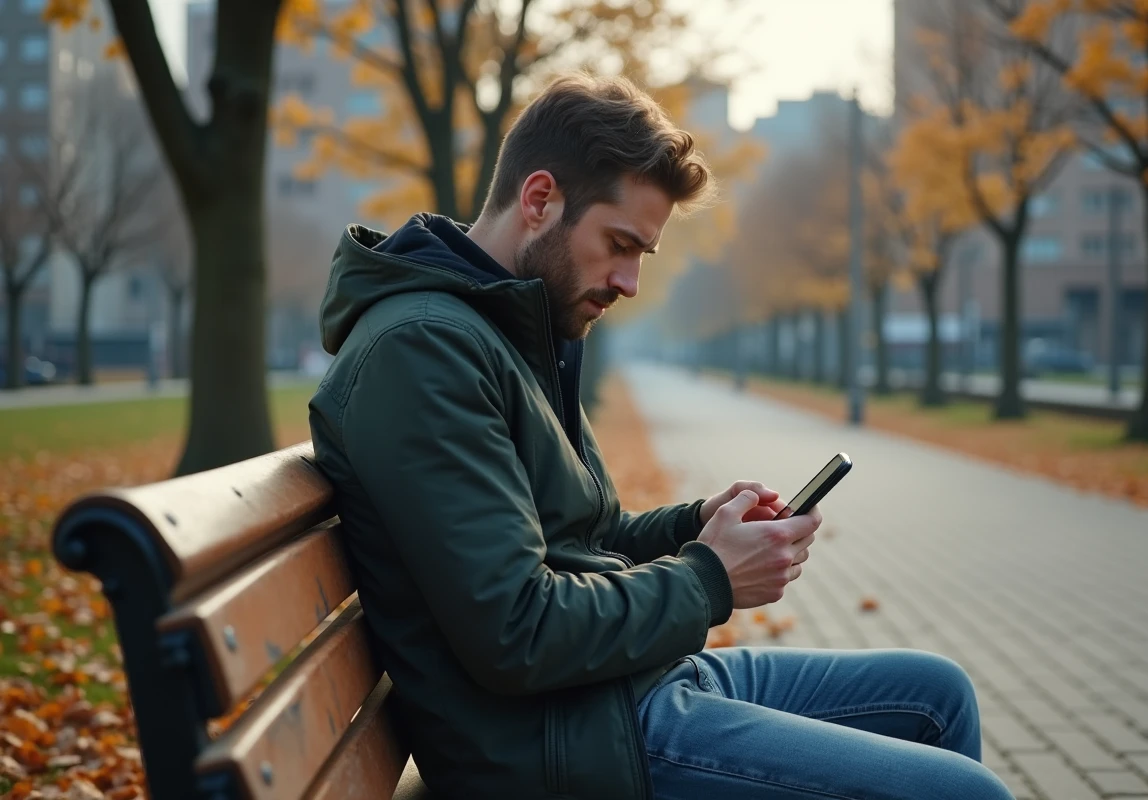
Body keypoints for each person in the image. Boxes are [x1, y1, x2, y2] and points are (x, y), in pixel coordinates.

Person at [308, 73, 1013, 800]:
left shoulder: (506, 330)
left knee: (937, 696)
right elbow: (514, 632)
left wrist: (695, 527)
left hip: (616, 692)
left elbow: (590, 535)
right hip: (568, 747)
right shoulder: (424, 352)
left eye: (642, 253)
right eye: (619, 244)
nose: (630, 281)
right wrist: (711, 576)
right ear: (540, 199)